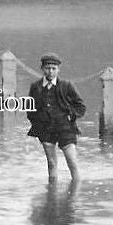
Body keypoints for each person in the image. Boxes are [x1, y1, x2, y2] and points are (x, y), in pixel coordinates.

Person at [27, 53, 86, 182]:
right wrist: (38, 123)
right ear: (42, 68)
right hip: (46, 130)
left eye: (54, 68)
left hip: (66, 129)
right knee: (51, 163)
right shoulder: (36, 87)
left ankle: (76, 190)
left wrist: (71, 116)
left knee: (72, 162)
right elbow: (30, 108)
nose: (51, 71)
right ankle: (52, 191)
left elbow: (81, 106)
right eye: (47, 68)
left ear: (58, 69)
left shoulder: (66, 85)